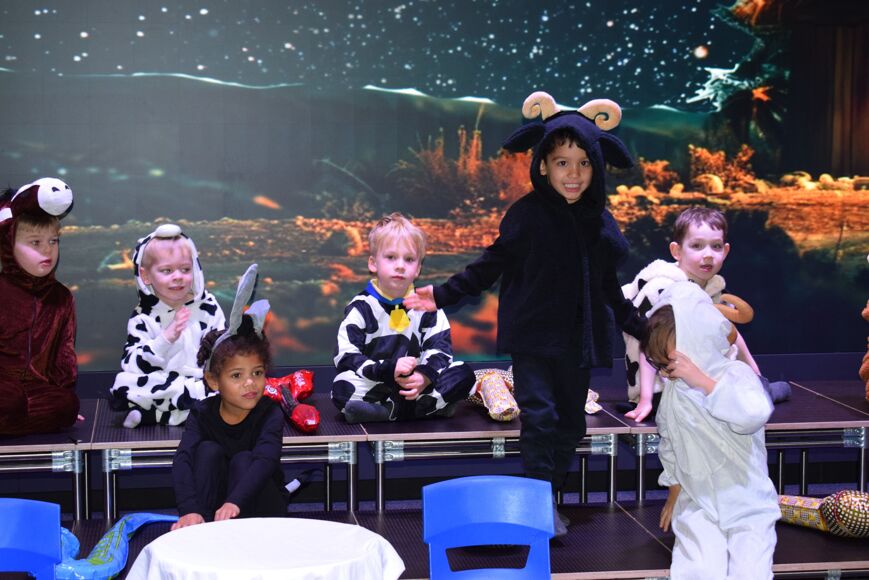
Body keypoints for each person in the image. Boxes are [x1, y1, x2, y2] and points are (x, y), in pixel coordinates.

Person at [404, 91, 646, 536]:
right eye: (562, 162)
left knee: (570, 423)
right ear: (543, 165)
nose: (573, 173)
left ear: (597, 166)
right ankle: (539, 504)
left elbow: (610, 289)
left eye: (583, 163)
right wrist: (442, 294)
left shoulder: (599, 222)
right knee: (541, 417)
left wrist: (643, 329)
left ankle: (547, 496)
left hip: (578, 343)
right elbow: (490, 264)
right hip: (534, 339)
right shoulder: (527, 215)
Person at [646, 281, 779, 579]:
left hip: (748, 500)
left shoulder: (735, 374)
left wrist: (705, 383)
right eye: (661, 366)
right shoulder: (674, 392)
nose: (667, 372)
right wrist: (674, 488)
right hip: (698, 499)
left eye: (672, 362)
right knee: (698, 569)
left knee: (751, 572)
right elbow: (669, 442)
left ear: (698, 341)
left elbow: (754, 414)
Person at [620, 207, 790, 422]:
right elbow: (649, 344)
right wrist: (645, 399)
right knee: (745, 403)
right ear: (676, 251)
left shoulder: (714, 288)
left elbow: (730, 334)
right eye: (697, 246)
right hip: (664, 388)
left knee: (752, 397)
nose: (708, 254)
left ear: (725, 251)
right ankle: (767, 392)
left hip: (703, 386)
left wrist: (756, 376)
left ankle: (766, 390)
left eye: (716, 246)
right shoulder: (664, 289)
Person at [172, 264, 287, 529]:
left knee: (244, 460)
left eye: (257, 373)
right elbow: (183, 460)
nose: (250, 383)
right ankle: (199, 527)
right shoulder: (202, 413)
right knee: (207, 451)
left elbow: (265, 461)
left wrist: (235, 502)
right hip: (217, 510)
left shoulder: (270, 412)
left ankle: (245, 538)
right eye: (237, 376)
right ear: (214, 381)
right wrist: (189, 509)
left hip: (260, 512)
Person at [331, 212, 476, 423]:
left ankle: (390, 411)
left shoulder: (426, 306)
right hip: (379, 382)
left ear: (418, 269)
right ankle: (425, 408)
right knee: (341, 387)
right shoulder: (360, 307)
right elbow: (345, 355)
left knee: (464, 374)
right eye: (391, 257)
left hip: (417, 384)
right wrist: (388, 369)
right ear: (373, 263)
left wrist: (424, 376)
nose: (400, 265)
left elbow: (440, 349)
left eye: (409, 259)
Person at [109, 223, 225, 428]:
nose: (178, 276)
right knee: (124, 383)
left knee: (224, 387)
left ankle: (156, 416)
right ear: (146, 276)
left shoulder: (208, 306)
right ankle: (185, 411)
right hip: (163, 384)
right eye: (167, 270)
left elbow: (222, 349)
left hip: (200, 382)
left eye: (185, 269)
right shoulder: (143, 317)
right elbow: (132, 364)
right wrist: (165, 339)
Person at [0, 178, 79, 435]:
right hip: (5, 391)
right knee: (9, 400)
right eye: (35, 243)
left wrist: (60, 396)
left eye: (53, 241)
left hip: (35, 393)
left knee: (66, 405)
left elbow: (63, 360)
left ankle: (18, 421)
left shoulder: (61, 298)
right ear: (9, 245)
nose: (47, 251)